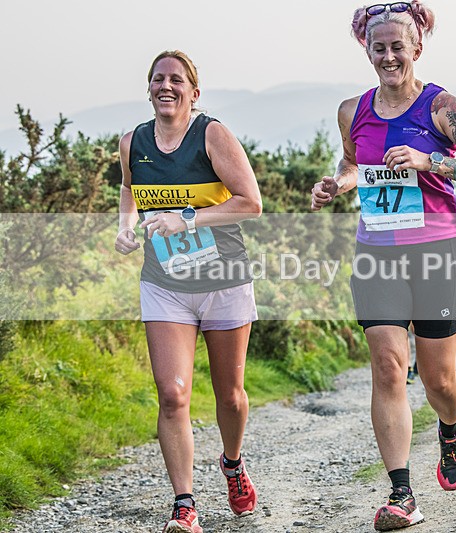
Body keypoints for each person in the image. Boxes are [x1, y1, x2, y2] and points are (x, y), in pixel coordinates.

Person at [311, 3, 456, 530]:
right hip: (377, 251)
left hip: (440, 251)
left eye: (399, 46)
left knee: (439, 379)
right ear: (366, 51)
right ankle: (402, 495)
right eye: (380, 48)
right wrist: (338, 184)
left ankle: (450, 426)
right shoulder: (353, 110)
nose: (389, 56)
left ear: (417, 47)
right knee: (388, 365)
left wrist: (428, 161)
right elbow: (354, 164)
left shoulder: (441, 107)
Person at [115, 50, 262, 533]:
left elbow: (251, 203)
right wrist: (125, 225)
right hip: (165, 285)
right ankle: (184, 503)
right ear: (149, 88)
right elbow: (130, 189)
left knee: (232, 396)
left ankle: (233, 464)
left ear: (193, 92)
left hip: (223, 280)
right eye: (158, 78)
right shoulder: (132, 142)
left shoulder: (212, 134)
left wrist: (187, 218)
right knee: (172, 394)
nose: (166, 86)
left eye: (176, 79)